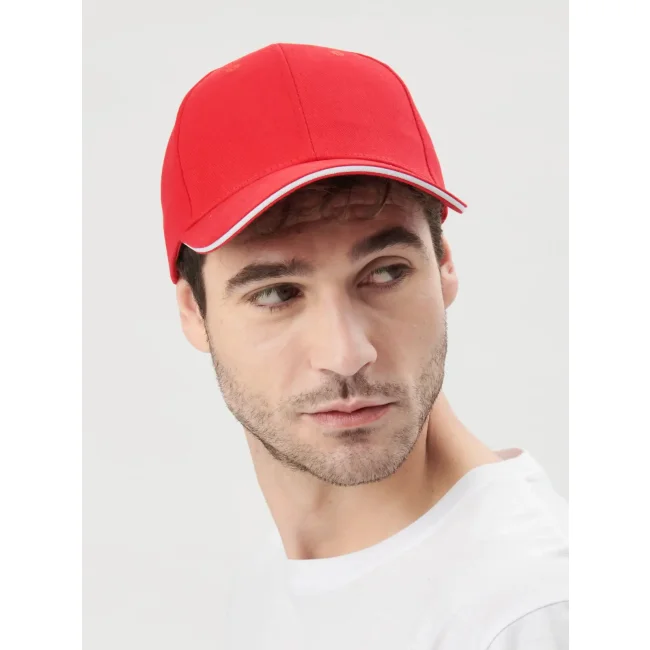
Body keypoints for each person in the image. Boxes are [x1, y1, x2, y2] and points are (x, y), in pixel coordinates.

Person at [160, 43, 568, 649]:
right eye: (276, 294)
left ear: (444, 266)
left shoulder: (532, 614)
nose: (347, 354)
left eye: (385, 273)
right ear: (194, 311)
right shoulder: (269, 584)